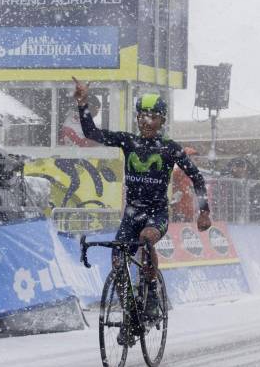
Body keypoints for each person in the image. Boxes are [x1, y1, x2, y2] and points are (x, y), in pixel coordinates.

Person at [72, 77, 211, 323]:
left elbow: (197, 179)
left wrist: (204, 212)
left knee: (147, 239)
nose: (146, 121)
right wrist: (83, 103)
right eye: (142, 115)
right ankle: (130, 314)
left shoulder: (170, 148)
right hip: (131, 214)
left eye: (153, 116)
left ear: (162, 121)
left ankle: (152, 290)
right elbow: (91, 132)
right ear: (137, 118)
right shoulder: (128, 141)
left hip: (156, 214)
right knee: (117, 259)